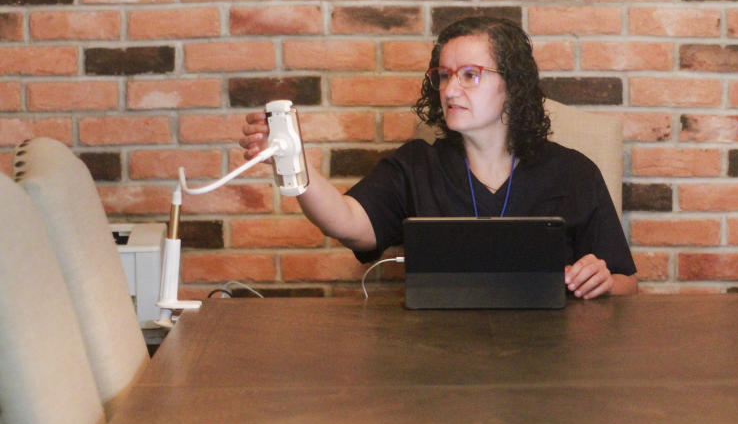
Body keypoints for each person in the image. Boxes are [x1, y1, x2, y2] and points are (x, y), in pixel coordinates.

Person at [240, 17, 638, 299]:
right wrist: (296, 165)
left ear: (513, 87)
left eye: (470, 74)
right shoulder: (417, 165)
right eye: (444, 76)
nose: (450, 91)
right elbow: (348, 223)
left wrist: (603, 281)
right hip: (437, 360)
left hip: (551, 359)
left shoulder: (572, 172)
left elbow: (627, 283)